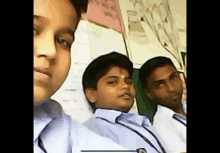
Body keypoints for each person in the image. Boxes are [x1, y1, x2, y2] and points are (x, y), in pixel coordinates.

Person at [34, 0, 129, 152]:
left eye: (63, 41)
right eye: (33, 29)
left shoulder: (61, 127)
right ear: (91, 94)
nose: (51, 50)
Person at [83, 51, 166, 153]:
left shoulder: (142, 123)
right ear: (91, 94)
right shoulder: (91, 132)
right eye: (112, 82)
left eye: (129, 82)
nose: (125, 86)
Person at [139, 56, 187, 153]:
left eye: (173, 78)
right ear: (149, 93)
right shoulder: (161, 127)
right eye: (160, 84)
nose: (171, 88)